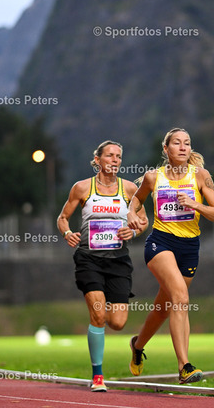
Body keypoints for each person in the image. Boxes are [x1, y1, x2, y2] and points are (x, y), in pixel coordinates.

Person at [126, 127, 214, 384]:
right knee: (180, 298)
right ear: (166, 148)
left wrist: (195, 204)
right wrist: (131, 214)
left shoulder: (201, 176)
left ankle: (137, 345)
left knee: (163, 308)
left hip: (189, 248)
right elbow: (135, 201)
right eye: (177, 143)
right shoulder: (153, 177)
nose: (182, 147)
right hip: (160, 243)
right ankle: (184, 366)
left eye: (187, 143)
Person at [57, 140, 147, 392]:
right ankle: (98, 375)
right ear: (97, 160)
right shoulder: (82, 188)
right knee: (97, 315)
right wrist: (67, 233)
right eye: (110, 155)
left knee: (117, 323)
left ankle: (106, 325)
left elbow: (143, 220)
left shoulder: (129, 189)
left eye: (118, 156)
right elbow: (63, 218)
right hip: (89, 258)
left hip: (118, 260)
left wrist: (133, 231)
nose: (115, 160)